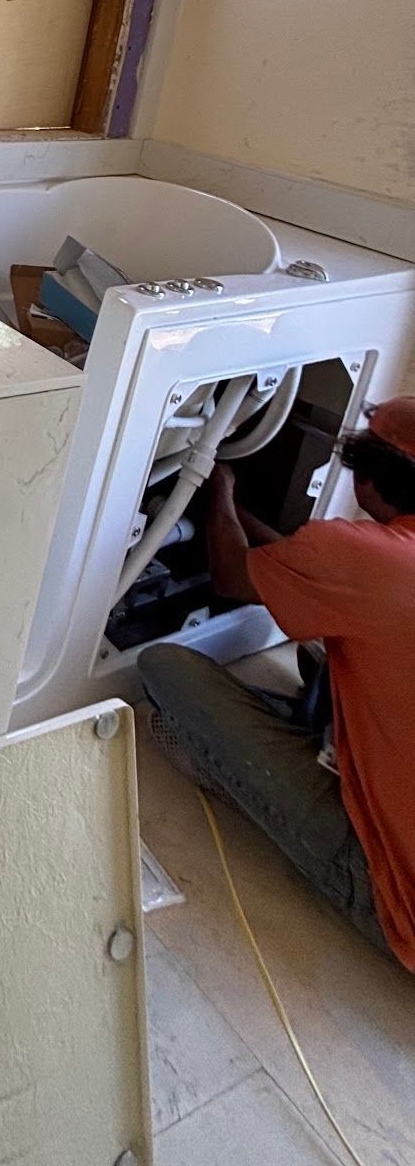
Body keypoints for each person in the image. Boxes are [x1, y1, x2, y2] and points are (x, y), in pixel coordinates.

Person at [138, 396, 415, 969]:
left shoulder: (357, 555)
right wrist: (238, 510)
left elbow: (231, 574)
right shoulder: (374, 560)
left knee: (164, 671)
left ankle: (241, 783)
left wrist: (217, 491)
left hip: (394, 899)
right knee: (326, 660)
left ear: (369, 480)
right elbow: (305, 564)